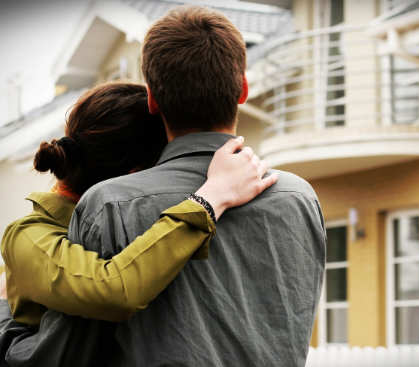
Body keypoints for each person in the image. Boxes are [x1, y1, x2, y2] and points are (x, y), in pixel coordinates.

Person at [4, 5, 326, 367]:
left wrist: (7, 323)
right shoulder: (299, 198)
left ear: (154, 100)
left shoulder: (110, 206)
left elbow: (69, 350)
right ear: (243, 89)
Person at [0, 82, 275, 365]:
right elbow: (113, 290)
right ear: (136, 175)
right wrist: (210, 198)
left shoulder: (142, 223)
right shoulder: (28, 235)